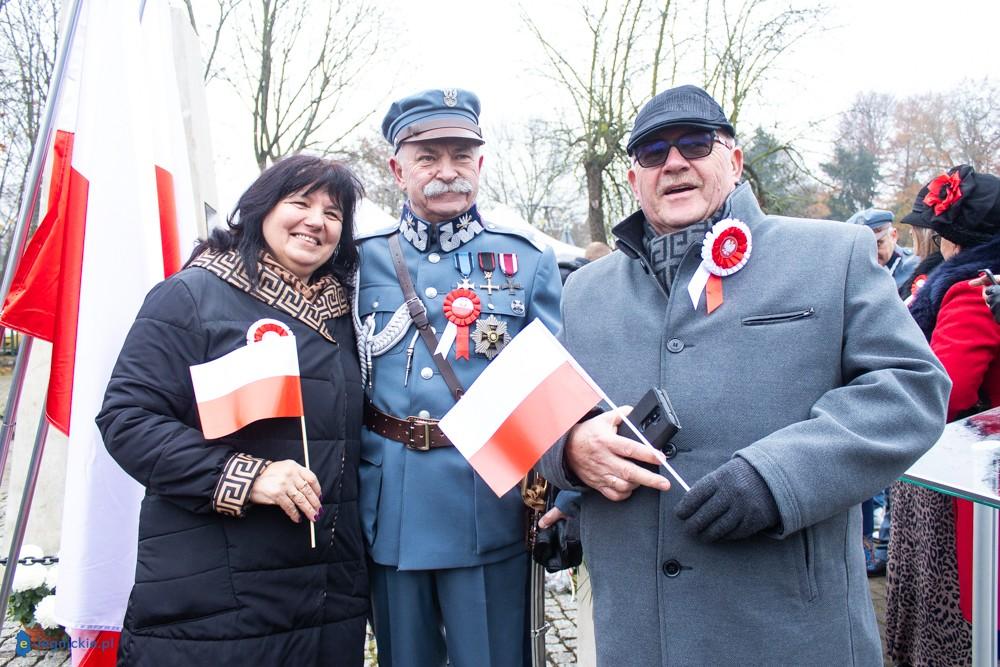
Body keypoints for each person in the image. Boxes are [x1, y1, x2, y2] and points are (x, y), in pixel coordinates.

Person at [537, 84, 950, 665]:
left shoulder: (834, 255)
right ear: (634, 180)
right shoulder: (584, 292)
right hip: (638, 628)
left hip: (783, 623)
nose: (674, 162)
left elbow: (911, 388)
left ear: (732, 161)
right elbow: (545, 420)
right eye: (653, 153)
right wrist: (573, 451)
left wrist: (776, 478)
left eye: (695, 143)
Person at [97, 155, 369, 665]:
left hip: (327, 598)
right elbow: (127, 420)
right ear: (260, 208)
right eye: (300, 202)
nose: (317, 220)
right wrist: (245, 477)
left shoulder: (344, 321)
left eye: (334, 214)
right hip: (216, 600)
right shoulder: (192, 296)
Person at [354, 88, 561, 666]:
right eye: (427, 157)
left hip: (486, 501)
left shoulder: (526, 259)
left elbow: (554, 386)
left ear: (480, 163)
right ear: (397, 168)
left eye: (460, 156)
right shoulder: (359, 259)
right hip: (389, 501)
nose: (447, 172)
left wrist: (560, 496)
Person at [886, 165, 1000, 666]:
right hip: (951, 468)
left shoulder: (969, 291)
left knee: (952, 612)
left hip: (958, 481)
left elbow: (946, 392)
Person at [847, 207, 920, 289]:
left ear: (893, 236)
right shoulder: (853, 274)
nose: (872, 252)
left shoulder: (915, 267)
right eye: (863, 247)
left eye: (878, 244)